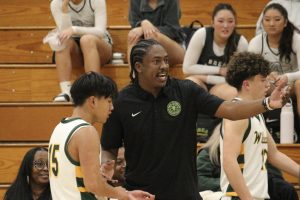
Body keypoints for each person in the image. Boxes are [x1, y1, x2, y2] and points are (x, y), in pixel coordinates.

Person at [100, 39, 289, 200]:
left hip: (185, 194)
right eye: (156, 61)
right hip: (142, 194)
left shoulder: (186, 91)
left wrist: (267, 103)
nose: (164, 66)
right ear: (138, 66)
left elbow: (230, 109)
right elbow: (109, 147)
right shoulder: (122, 102)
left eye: (166, 60)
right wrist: (106, 163)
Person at [48, 72, 154, 200]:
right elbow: (93, 185)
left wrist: (99, 175)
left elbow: (73, 177)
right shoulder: (86, 131)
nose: (112, 107)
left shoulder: (60, 127)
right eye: (109, 101)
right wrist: (123, 194)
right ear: (93, 101)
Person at [220, 52, 300, 199]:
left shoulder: (256, 114)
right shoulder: (237, 114)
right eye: (263, 80)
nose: (267, 85)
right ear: (246, 84)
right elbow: (229, 161)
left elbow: (274, 154)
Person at [197, 124, 299, 200]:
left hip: (258, 193)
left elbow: (273, 174)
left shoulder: (254, 148)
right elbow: (199, 180)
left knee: (286, 189)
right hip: (228, 195)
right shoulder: (209, 153)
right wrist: (237, 184)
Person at [248, 3, 300, 138]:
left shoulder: (296, 39)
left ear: (285, 22)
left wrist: (287, 77)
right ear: (262, 22)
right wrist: (265, 77)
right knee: (254, 85)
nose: (271, 23)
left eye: (277, 19)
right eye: (267, 19)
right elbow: (249, 73)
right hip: (271, 85)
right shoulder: (256, 42)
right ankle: (253, 132)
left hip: (293, 86)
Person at [49, 0, 113, 102]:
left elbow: (100, 32)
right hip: (76, 50)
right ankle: (66, 91)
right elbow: (65, 32)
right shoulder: (56, 3)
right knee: (62, 41)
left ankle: (93, 90)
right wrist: (64, 9)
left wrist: (75, 29)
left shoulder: (96, 1)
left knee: (87, 40)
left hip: (100, 45)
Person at [183, 3, 248, 100]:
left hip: (223, 85)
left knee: (236, 93)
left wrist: (206, 78)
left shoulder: (240, 42)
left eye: (230, 21)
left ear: (235, 24)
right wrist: (220, 70)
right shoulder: (202, 34)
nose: (225, 26)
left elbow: (239, 79)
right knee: (188, 85)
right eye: (220, 21)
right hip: (200, 82)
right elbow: (187, 68)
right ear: (213, 22)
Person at [127, 0, 185, 67]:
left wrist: (149, 29)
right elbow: (135, 25)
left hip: (173, 45)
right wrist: (143, 23)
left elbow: (173, 30)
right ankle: (133, 75)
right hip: (146, 47)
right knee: (132, 36)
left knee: (152, 36)